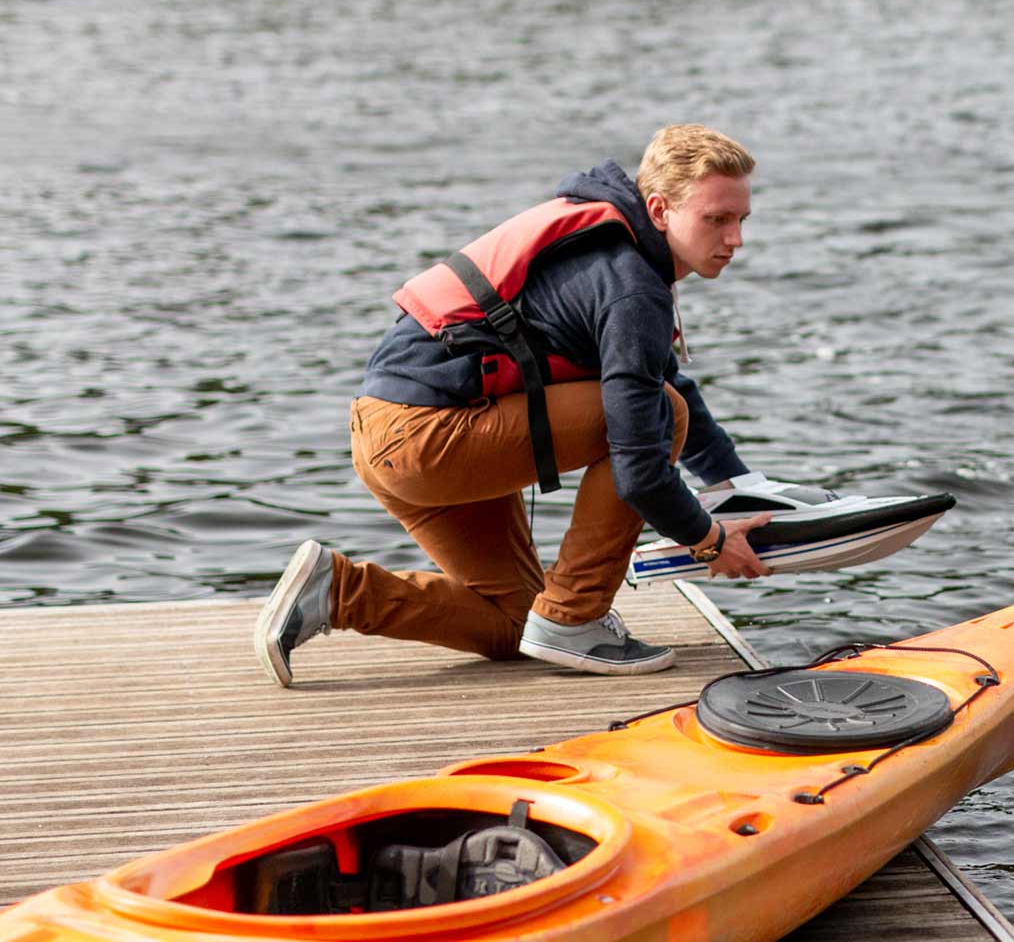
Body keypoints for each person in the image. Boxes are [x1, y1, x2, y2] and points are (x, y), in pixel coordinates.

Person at [254, 125, 772, 687]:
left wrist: (739, 487)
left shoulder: (614, 255)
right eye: (716, 219)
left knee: (515, 625)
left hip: (390, 435)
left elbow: (656, 378)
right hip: (431, 437)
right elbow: (641, 464)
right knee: (659, 416)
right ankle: (577, 619)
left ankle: (337, 591)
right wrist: (708, 540)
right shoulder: (632, 286)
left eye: (741, 220)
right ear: (660, 209)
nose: (735, 239)